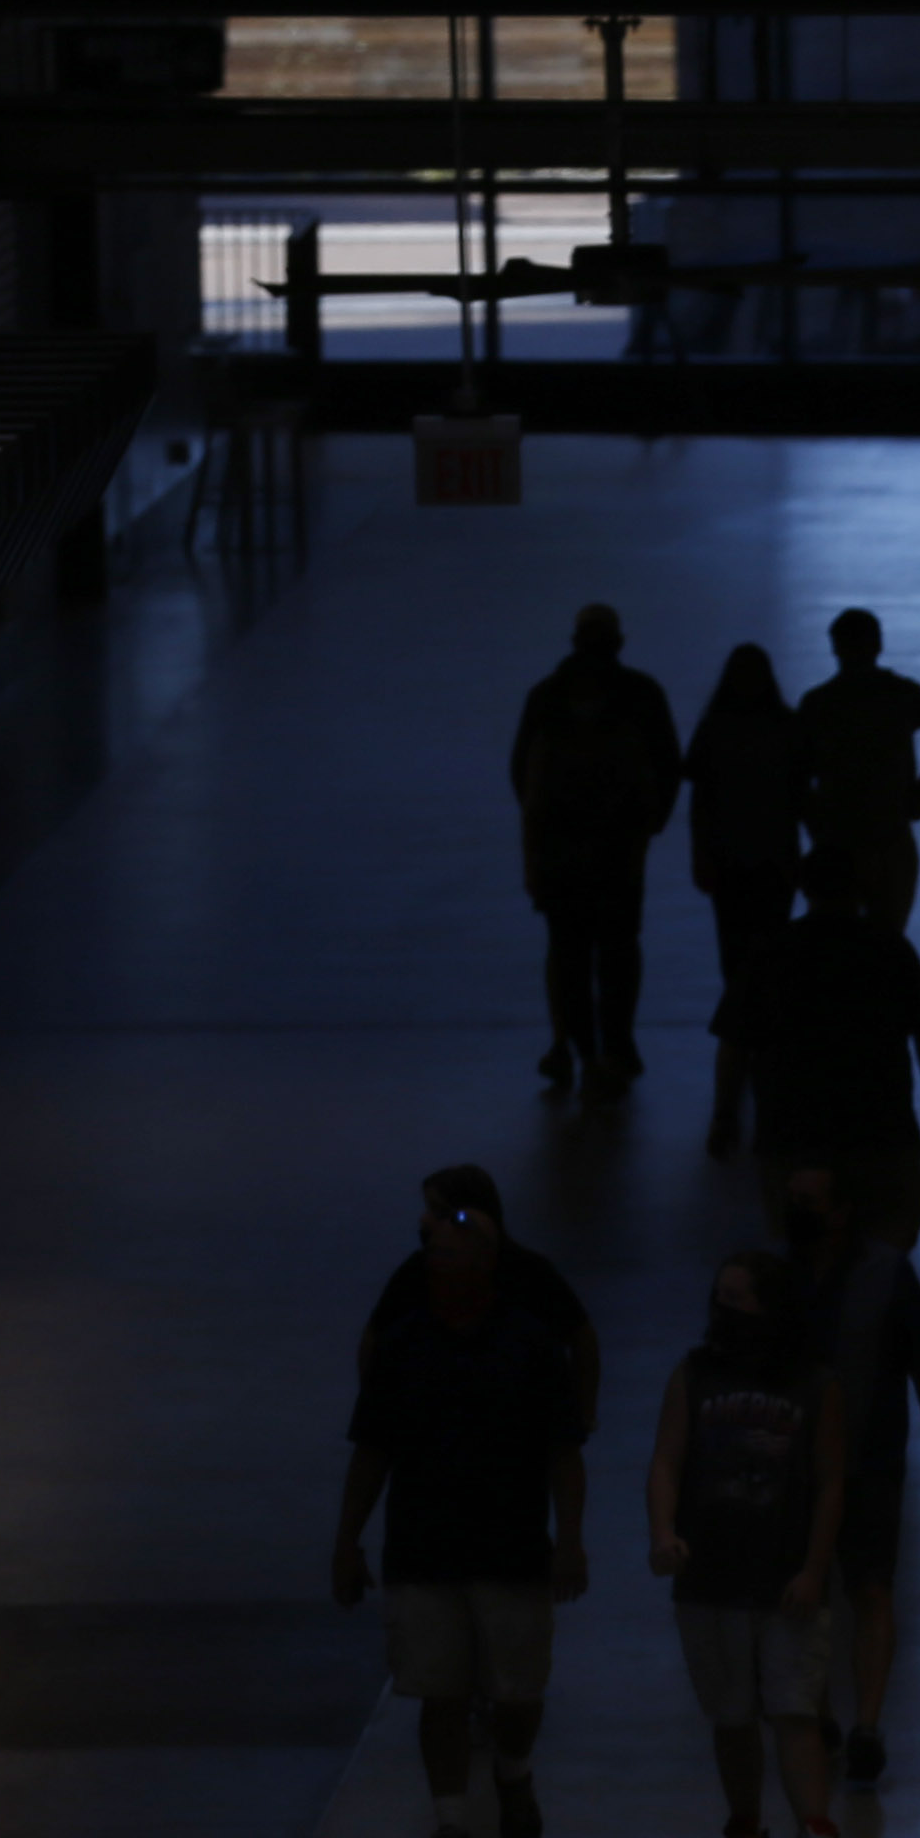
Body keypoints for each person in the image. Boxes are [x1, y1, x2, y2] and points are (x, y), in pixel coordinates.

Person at [335, 1195, 590, 1838]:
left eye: (451, 1250)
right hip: (423, 1550)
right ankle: (450, 1825)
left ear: (486, 1262)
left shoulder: (530, 1344)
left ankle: (512, 1770)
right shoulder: (403, 1345)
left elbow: (563, 1451)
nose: (435, 1260)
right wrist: (346, 1540)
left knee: (516, 1696)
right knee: (439, 1692)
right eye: (430, 1251)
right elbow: (372, 1450)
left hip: (510, 1549)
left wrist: (569, 1538)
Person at [644, 1251, 853, 1838]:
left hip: (787, 1579)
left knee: (793, 1709)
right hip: (709, 1579)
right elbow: (667, 1463)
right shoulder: (694, 1375)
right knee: (732, 1717)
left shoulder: (815, 1385)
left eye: (739, 1300)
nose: (725, 1312)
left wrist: (816, 1568)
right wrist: (663, 1532)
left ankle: (816, 1829)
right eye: (720, 1298)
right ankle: (744, 1830)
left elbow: (829, 1484)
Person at [785, 1163, 920, 1785]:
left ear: (840, 1213)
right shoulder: (776, 1279)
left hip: (867, 1464)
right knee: (810, 1598)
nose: (795, 1211)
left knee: (867, 1590)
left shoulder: (884, 1275)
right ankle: (833, 1716)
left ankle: (863, 1725)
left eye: (807, 1200)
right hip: (794, 1471)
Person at [507, 603, 683, 1098]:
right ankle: (616, 1045)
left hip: (561, 853)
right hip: (619, 850)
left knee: (568, 952)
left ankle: (577, 1047)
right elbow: (668, 762)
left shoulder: (546, 698)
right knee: (618, 948)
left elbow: (523, 772)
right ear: (618, 642)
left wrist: (543, 833)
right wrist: (649, 823)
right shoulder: (641, 695)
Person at [752, 846, 920, 1246]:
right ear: (861, 887)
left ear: (803, 887)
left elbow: (737, 1041)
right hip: (879, 1125)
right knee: (887, 1240)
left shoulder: (774, 950)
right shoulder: (889, 948)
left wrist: (724, 1113)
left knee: (803, 1246)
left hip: (793, 1127)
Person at [359, 1165, 600, 1439]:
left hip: (492, 1427)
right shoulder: (529, 1270)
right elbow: (582, 1335)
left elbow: (374, 1338)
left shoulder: (528, 1273)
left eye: (439, 1212)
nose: (425, 1220)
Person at [681, 644, 803, 1162]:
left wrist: (701, 855)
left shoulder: (715, 730)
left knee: (737, 965)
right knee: (771, 958)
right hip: (774, 860)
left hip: (734, 863)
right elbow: (803, 794)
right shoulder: (786, 728)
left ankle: (735, 1080)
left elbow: (700, 801)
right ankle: (766, 1057)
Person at [790, 606, 920, 933]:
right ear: (878, 645)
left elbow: (797, 775)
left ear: (834, 646)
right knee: (888, 937)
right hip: (889, 833)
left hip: (839, 836)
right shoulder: (899, 693)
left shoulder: (819, 703)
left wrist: (814, 823)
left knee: (838, 934)